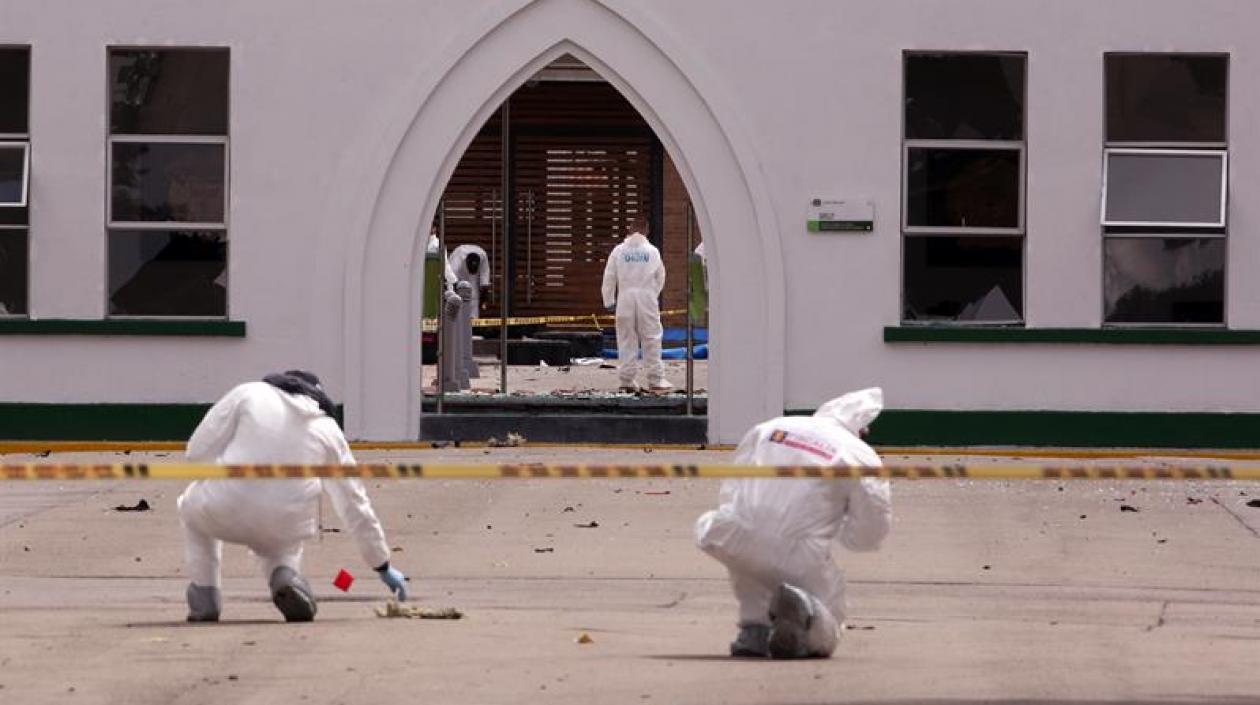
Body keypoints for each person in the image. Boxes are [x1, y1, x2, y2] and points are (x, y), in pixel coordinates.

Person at [176, 371, 409, 623]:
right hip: (286, 523)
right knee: (285, 541)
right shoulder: (329, 429)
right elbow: (354, 504)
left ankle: (205, 595)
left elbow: (195, 453)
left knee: (189, 507)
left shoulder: (249, 393)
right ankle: (285, 575)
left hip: (223, 505)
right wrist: (382, 565)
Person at [694, 387, 891, 658]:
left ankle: (754, 630)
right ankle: (806, 612)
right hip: (799, 554)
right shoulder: (859, 453)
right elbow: (871, 527)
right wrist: (848, 535)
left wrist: (736, 518)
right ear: (860, 428)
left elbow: (733, 484)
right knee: (829, 618)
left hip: (734, 533)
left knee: (752, 568)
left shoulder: (772, 428)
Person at [600, 216, 672, 394]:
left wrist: (609, 300)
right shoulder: (653, 251)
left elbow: (609, 277)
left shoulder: (619, 251)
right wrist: (651, 294)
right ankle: (656, 379)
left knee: (626, 339)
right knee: (652, 338)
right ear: (647, 231)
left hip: (625, 298)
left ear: (629, 230)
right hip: (646, 297)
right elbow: (660, 276)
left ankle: (626, 380)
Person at [449, 244, 490, 381]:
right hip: (457, 280)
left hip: (471, 288)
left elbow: (484, 282)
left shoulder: (482, 256)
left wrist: (484, 301)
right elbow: (450, 280)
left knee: (472, 308)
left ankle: (468, 346)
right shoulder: (458, 258)